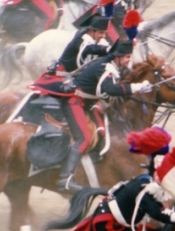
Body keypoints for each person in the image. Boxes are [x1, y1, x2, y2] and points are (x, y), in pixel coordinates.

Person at [57, 38, 153, 192]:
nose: (129, 60)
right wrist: (138, 87)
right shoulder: (106, 68)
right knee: (84, 138)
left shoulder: (112, 65)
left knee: (102, 130)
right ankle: (65, 179)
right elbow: (109, 89)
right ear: (118, 56)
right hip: (73, 102)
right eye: (127, 56)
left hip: (87, 104)